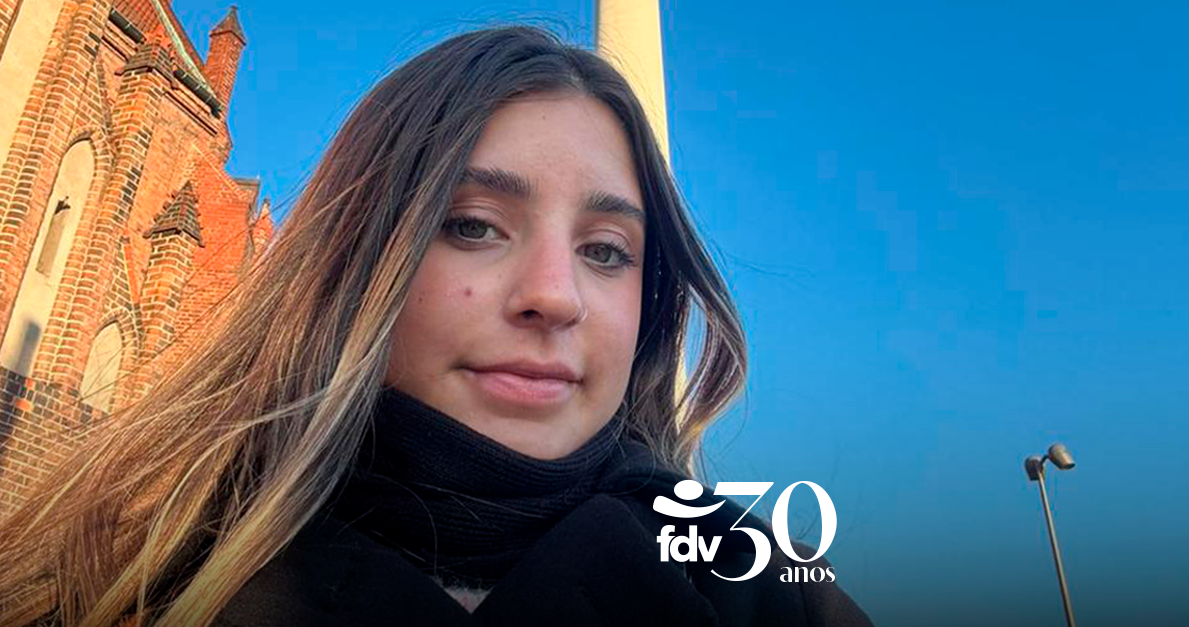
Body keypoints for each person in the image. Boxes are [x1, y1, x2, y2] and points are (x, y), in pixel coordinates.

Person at [0, 25, 874, 626]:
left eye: (607, 250)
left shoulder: (775, 594)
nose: (553, 295)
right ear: (354, 256)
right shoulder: (116, 581)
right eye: (473, 225)